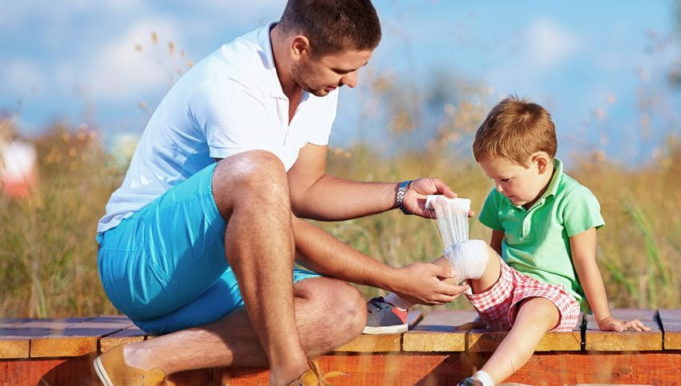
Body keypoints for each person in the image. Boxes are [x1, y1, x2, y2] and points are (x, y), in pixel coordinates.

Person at [91, 1, 467, 385]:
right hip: (141, 263)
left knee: (342, 309)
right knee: (259, 171)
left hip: (214, 275)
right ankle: (290, 374)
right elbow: (273, 216)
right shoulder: (231, 83)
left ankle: (141, 361)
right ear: (300, 47)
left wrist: (401, 194)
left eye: (357, 68)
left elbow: (305, 189)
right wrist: (395, 279)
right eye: (342, 69)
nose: (352, 81)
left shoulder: (316, 84)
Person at [365, 96, 651, 386]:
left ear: (540, 163)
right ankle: (394, 305)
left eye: (505, 179)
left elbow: (585, 262)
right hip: (508, 287)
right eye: (493, 180)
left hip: (553, 300)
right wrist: (484, 309)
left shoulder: (574, 199)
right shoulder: (501, 199)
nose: (498, 189)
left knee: (535, 309)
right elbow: (492, 254)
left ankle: (483, 381)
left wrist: (604, 318)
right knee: (471, 250)